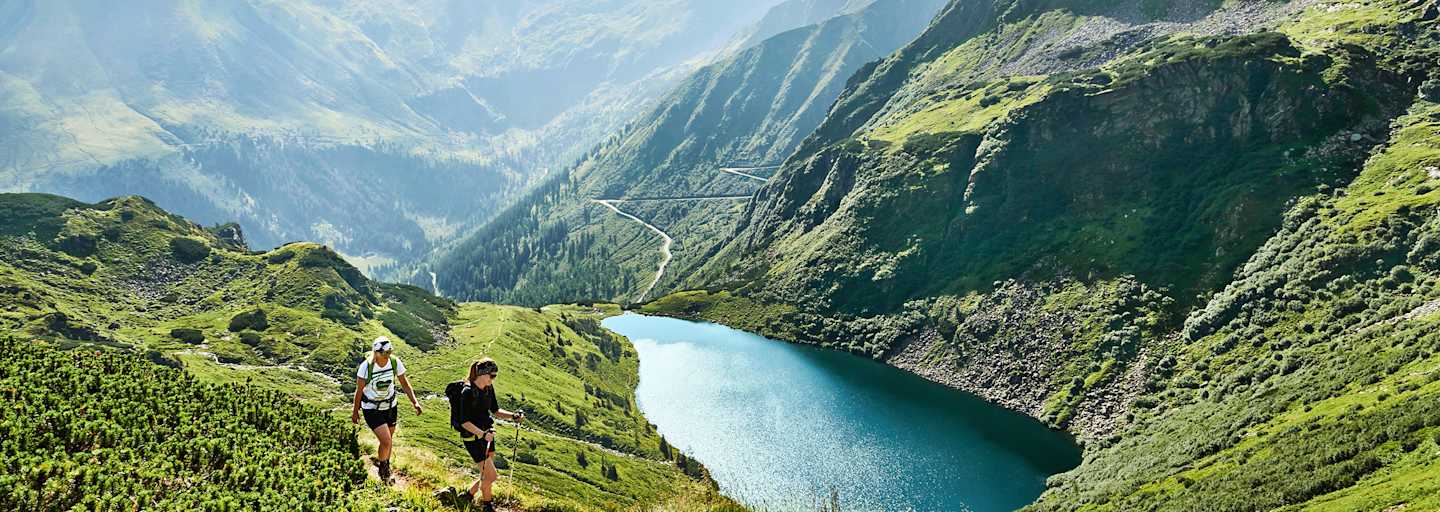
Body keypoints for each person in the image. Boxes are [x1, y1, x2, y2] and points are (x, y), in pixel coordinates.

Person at [450, 358, 524, 512]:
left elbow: (495, 410)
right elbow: (465, 422)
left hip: (487, 435)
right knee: (492, 476)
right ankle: (484, 504)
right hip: (474, 439)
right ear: (482, 374)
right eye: (492, 376)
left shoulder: (488, 388)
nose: (493, 379)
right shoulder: (468, 392)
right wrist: (483, 435)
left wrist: (513, 416)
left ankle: (472, 497)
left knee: (487, 474)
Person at [350, 336, 422, 483]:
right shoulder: (366, 367)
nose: (387, 356)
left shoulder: (395, 362)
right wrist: (355, 411)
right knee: (386, 441)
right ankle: (384, 473)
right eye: (384, 353)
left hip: (390, 406)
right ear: (375, 352)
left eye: (389, 352)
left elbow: (404, 383)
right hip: (372, 408)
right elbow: (359, 391)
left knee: (388, 440)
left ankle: (385, 465)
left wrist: (414, 402)